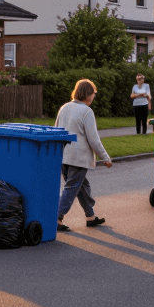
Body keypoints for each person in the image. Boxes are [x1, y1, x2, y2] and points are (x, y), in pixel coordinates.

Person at [55, 79, 112, 230]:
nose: (94, 96)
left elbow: (56, 130)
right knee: (72, 188)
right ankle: (56, 218)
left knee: (81, 186)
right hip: (78, 158)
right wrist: (105, 157)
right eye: (93, 94)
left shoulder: (64, 108)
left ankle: (90, 216)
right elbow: (93, 139)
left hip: (64, 156)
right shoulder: (87, 112)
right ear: (87, 94)